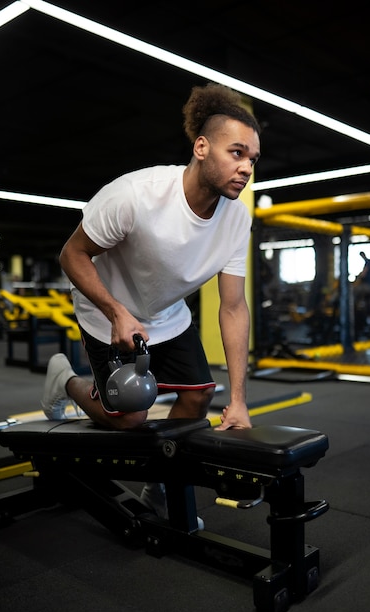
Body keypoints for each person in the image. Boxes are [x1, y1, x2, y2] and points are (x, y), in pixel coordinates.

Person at [42, 82, 260, 445]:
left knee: (200, 394)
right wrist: (115, 313)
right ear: (201, 147)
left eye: (252, 159)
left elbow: (234, 307)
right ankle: (64, 380)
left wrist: (238, 401)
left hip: (167, 314)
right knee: (130, 415)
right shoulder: (135, 195)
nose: (246, 167)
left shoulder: (237, 220)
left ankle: (158, 485)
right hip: (107, 310)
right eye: (236, 153)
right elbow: (72, 254)